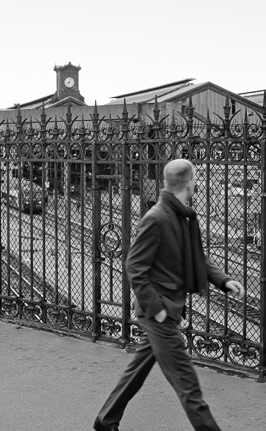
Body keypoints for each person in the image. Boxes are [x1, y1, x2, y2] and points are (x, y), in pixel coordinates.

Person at [93, 159, 245, 431]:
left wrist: (224, 280)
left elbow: (195, 256)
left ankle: (106, 420)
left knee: (137, 371)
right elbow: (134, 266)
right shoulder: (157, 218)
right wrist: (158, 308)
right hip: (159, 314)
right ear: (190, 182)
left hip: (167, 310)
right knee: (188, 385)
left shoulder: (179, 215)